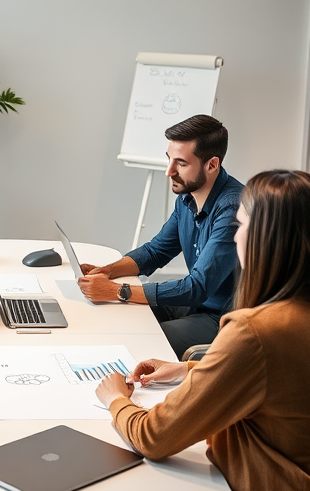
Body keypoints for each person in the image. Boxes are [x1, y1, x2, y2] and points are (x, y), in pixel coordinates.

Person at [95, 170, 310, 491]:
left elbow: (154, 437)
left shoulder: (256, 332)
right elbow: (297, 377)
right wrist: (190, 369)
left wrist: (116, 398)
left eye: (241, 225)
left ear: (267, 240)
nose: (234, 237)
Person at [78, 115, 243, 361]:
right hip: (195, 304)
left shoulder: (233, 209)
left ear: (212, 165)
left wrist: (117, 291)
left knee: (140, 338)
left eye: (181, 163)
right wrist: (107, 271)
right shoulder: (187, 198)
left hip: (224, 317)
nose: (169, 172)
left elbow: (197, 287)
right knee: (120, 318)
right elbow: (155, 252)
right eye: (169, 160)